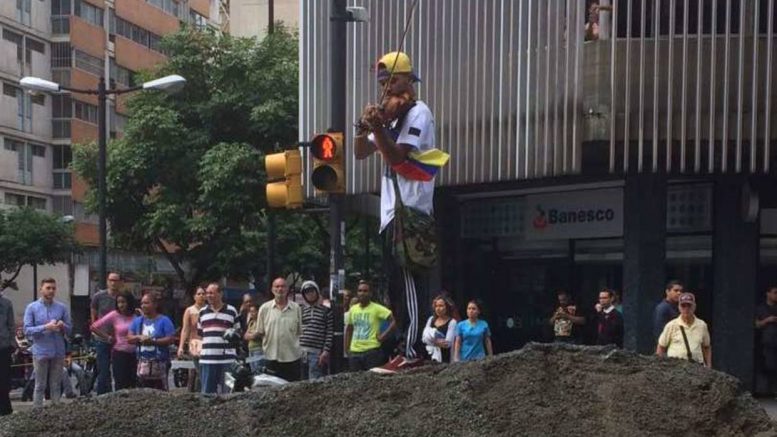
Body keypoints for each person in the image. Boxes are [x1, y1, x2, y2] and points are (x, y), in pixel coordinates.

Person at [355, 51, 437, 372]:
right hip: (390, 212)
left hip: (411, 210)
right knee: (396, 287)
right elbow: (360, 151)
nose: (386, 88)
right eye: (381, 83)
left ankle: (414, 350)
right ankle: (404, 347)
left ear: (408, 79)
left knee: (410, 282)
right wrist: (365, 125)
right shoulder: (389, 118)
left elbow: (398, 157)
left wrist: (380, 129)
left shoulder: (418, 112)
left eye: (392, 80)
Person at [23, 278, 72, 408]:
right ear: (41, 289)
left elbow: (70, 329)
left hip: (58, 350)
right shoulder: (32, 308)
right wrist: (45, 327)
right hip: (41, 351)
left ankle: (55, 410)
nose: (51, 291)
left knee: (56, 384)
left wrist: (62, 325)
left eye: (53, 288)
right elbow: (27, 330)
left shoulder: (62, 307)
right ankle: (37, 411)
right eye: (48, 288)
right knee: (40, 385)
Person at [255, 278, 303, 382]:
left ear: (287, 289)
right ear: (272, 289)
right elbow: (260, 331)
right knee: (272, 389)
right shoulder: (264, 308)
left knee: (293, 389)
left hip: (292, 358)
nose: (280, 289)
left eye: (283, 286)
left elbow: (299, 332)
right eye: (277, 286)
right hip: (271, 357)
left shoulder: (296, 308)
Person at [197, 282, 240, 394]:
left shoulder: (231, 311)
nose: (208, 296)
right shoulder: (202, 312)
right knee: (207, 394)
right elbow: (200, 334)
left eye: (212, 293)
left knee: (229, 393)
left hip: (228, 360)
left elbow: (238, 332)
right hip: (207, 359)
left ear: (220, 294)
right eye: (207, 293)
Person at [127, 293, 176, 390]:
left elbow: (171, 339)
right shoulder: (137, 321)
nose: (143, 306)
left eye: (146, 303)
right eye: (142, 303)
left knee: (160, 390)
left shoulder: (164, 320)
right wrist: (139, 337)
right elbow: (129, 338)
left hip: (160, 362)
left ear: (155, 305)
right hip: (142, 362)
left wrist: (153, 342)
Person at [91, 291, 138, 390]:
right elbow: (94, 327)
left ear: (129, 302)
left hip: (135, 354)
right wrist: (108, 337)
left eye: (123, 302)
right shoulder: (114, 315)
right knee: (120, 383)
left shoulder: (136, 315)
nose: (121, 305)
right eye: (118, 302)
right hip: (120, 353)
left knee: (134, 383)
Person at [347, 280, 397, 373]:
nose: (362, 293)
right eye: (360, 291)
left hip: (371, 351)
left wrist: (383, 336)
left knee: (372, 379)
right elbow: (349, 328)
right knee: (355, 379)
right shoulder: (353, 309)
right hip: (355, 352)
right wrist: (347, 348)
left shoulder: (377, 308)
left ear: (370, 293)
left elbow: (393, 321)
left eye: (365, 291)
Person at [656, 292, 711, 367]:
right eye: (683, 306)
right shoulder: (671, 325)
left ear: (694, 307)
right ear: (679, 307)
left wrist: (708, 366)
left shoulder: (702, 325)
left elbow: (706, 347)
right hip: (675, 368)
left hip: (697, 368)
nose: (686, 309)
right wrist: (659, 366)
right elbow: (661, 346)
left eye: (689, 306)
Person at [90, 272, 123, 394]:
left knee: (119, 370)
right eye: (111, 280)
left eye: (116, 280)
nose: (113, 283)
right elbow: (93, 319)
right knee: (103, 370)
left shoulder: (123, 297)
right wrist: (102, 334)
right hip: (102, 338)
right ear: (108, 281)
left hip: (120, 340)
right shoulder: (98, 297)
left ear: (120, 282)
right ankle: (102, 395)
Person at [299, 280, 334, 379]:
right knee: (300, 381)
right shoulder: (300, 310)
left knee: (314, 381)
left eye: (312, 291)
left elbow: (329, 332)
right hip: (300, 351)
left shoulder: (326, 311)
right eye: (306, 292)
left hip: (316, 352)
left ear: (317, 292)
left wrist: (325, 351)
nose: (309, 294)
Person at [177, 286, 206, 392]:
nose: (201, 296)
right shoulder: (189, 311)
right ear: (194, 296)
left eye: (203, 294)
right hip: (194, 344)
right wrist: (181, 346)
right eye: (199, 294)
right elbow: (185, 329)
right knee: (198, 370)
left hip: (207, 344)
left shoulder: (208, 310)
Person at [422, 295, 458, 363]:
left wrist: (430, 341)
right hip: (430, 355)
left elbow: (447, 343)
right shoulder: (431, 319)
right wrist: (435, 342)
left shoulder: (452, 322)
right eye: (436, 306)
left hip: (444, 357)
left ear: (447, 307)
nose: (438, 308)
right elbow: (424, 338)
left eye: (441, 306)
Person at [756, 286, 777, 394]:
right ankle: (763, 390)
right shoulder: (760, 308)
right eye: (775, 293)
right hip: (765, 342)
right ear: (768, 293)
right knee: (766, 365)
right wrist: (767, 320)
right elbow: (756, 324)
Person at [0, 289, 14, 415]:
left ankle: (5, 409)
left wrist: (12, 344)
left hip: (3, 346)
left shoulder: (6, 303)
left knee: (4, 378)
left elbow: (11, 325)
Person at [243, 302, 264, 372]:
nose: (251, 313)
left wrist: (251, 335)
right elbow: (245, 336)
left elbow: (257, 335)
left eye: (253, 311)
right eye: (250, 312)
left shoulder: (260, 322)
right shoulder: (251, 323)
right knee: (252, 370)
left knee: (258, 370)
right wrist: (252, 335)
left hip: (258, 350)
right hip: (250, 350)